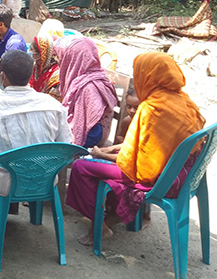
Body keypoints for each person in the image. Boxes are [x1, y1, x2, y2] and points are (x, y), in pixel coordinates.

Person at [66, 52, 205, 245]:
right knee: (98, 159)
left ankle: (100, 226)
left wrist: (101, 155)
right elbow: (143, 147)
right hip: (183, 173)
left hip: (160, 179)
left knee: (81, 167)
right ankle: (113, 215)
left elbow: (140, 165)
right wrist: (108, 151)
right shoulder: (184, 101)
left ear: (149, 76)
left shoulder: (152, 108)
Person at [0, 50, 72, 198]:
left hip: (4, 184)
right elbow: (66, 143)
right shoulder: (53, 105)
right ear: (30, 75)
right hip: (45, 180)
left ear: (2, 76)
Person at [53, 36, 118, 147]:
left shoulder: (89, 87)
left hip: (91, 134)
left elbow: (83, 128)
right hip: (84, 128)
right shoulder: (81, 75)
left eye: (61, 57)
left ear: (72, 58)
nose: (58, 60)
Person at [29, 34, 61, 101]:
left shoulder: (56, 77)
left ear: (42, 54)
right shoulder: (37, 68)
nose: (29, 51)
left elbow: (53, 102)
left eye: (32, 49)